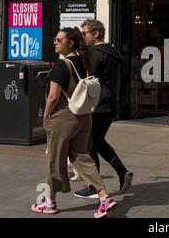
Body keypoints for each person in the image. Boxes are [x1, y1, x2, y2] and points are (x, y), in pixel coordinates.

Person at [31, 27, 117, 218]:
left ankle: (50, 202)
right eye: (55, 39)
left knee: (55, 160)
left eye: (59, 40)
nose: (55, 42)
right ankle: (104, 197)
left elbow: (53, 97)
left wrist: (46, 115)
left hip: (63, 118)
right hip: (84, 117)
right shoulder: (84, 61)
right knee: (82, 158)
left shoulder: (61, 66)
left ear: (70, 43)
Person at [74, 19, 133, 199]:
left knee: (90, 145)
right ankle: (122, 172)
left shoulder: (96, 54)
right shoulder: (111, 51)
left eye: (85, 33)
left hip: (97, 104)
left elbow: (87, 77)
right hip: (109, 103)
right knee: (97, 142)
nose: (83, 37)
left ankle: (94, 186)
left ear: (96, 33)